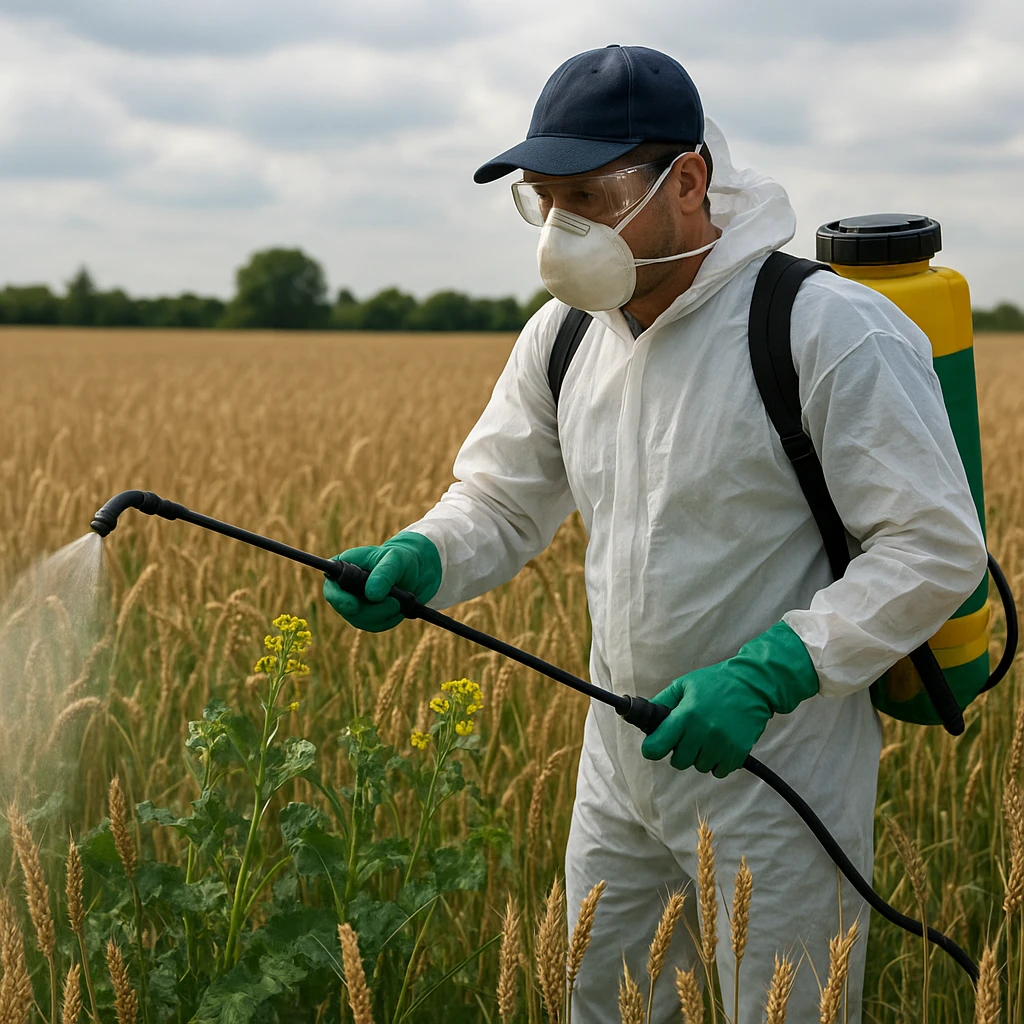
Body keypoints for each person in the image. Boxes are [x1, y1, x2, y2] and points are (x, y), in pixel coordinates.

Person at [323, 44, 987, 1023]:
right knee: (597, 1002)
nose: (559, 230)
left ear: (686, 181)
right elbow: (503, 500)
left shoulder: (825, 329)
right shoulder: (563, 335)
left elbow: (931, 547)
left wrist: (768, 673)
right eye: (542, 200)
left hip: (776, 773)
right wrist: (423, 553)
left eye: (586, 195)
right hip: (617, 772)